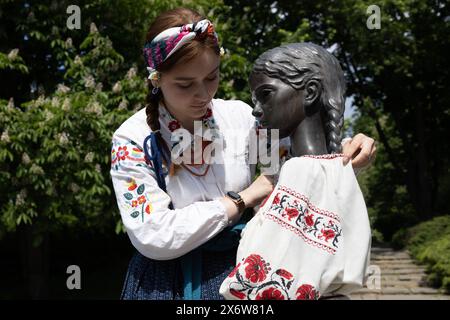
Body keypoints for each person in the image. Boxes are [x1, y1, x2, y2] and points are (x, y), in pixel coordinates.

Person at [110, 7, 377, 300]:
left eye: (212, 77)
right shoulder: (133, 139)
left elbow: (299, 158)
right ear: (156, 79)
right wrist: (243, 198)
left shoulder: (237, 117)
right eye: (185, 84)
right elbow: (153, 234)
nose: (203, 94)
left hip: (241, 274)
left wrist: (348, 148)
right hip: (165, 285)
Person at [220, 43, 371, 300]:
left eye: (265, 94)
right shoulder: (332, 169)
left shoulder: (301, 171)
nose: (256, 109)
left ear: (310, 91)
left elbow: (265, 278)